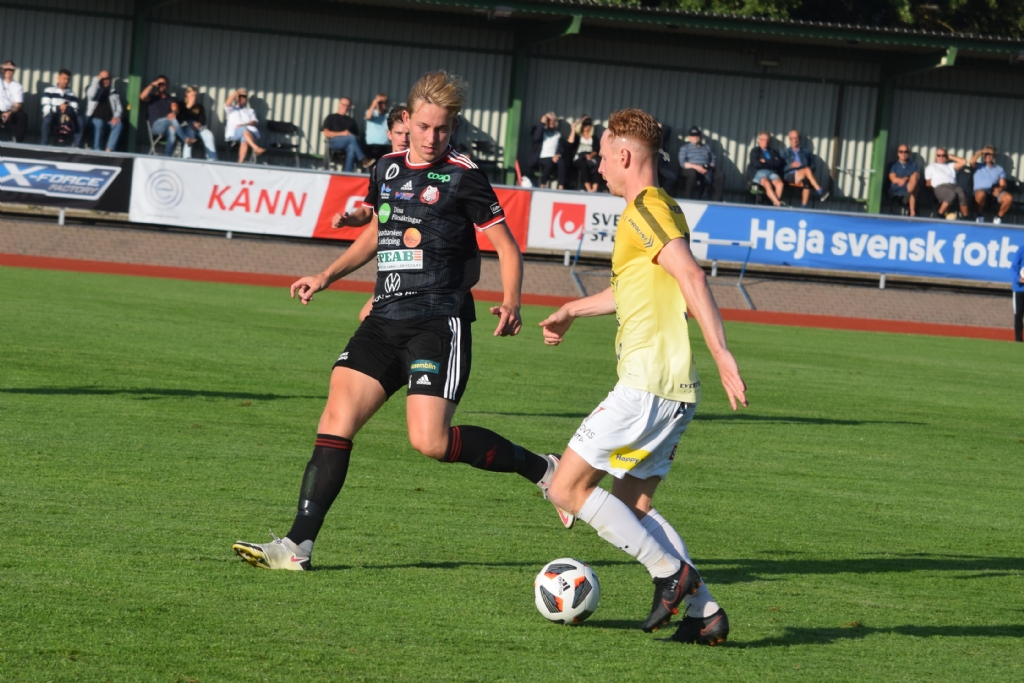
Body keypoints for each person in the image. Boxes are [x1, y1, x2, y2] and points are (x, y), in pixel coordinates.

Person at [232, 71, 572, 572]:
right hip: (384, 317)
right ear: (407, 120)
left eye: (443, 128)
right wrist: (326, 275)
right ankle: (298, 545)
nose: (433, 138)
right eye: (426, 127)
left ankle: (543, 469)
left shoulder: (464, 174)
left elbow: (506, 246)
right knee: (335, 419)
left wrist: (512, 301)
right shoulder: (386, 167)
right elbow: (378, 231)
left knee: (430, 441)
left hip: (438, 322)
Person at [538, 108, 746, 645]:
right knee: (633, 505)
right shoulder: (657, 208)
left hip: (646, 383)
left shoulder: (644, 209)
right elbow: (634, 289)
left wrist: (722, 352)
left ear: (625, 156)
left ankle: (669, 574)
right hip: (672, 388)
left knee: (566, 488)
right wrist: (572, 309)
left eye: (603, 156)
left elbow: (691, 275)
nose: (599, 166)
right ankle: (705, 613)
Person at [140, 75, 186, 157]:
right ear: (157, 84)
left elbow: (175, 109)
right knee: (172, 120)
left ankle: (167, 156)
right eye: (160, 83)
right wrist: (152, 84)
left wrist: (173, 113)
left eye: (164, 84)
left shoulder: (171, 99)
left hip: (168, 127)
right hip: (156, 127)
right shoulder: (152, 98)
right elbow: (142, 96)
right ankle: (185, 138)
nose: (162, 85)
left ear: (167, 85)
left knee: (172, 128)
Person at [782, 129, 828, 206]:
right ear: (789, 139)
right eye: (792, 138)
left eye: (796, 138)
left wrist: (805, 171)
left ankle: (803, 207)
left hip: (804, 175)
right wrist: (791, 165)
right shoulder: (784, 152)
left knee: (807, 182)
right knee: (807, 170)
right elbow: (780, 168)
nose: (795, 140)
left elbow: (813, 166)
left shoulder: (806, 152)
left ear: (799, 139)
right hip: (790, 175)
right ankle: (820, 191)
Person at [677, 126, 724, 202]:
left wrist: (710, 166)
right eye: (693, 136)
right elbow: (682, 163)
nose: (695, 137)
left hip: (706, 169)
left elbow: (713, 159)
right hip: (691, 169)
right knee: (692, 174)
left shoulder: (706, 147)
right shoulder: (685, 148)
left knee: (720, 175)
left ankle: (717, 200)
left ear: (700, 136)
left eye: (697, 135)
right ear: (689, 137)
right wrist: (698, 168)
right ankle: (689, 199)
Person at [41, 69, 84, 147]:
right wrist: (58, 108)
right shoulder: (49, 91)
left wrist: (66, 109)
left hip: (68, 117)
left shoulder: (72, 94)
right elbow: (45, 109)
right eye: (64, 79)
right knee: (47, 119)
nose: (66, 81)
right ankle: (44, 144)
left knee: (80, 120)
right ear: (58, 78)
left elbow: (76, 110)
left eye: (68, 79)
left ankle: (76, 145)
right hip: (54, 116)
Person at [970, 145, 1012, 224]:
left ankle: (998, 218)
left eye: (990, 154)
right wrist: (982, 151)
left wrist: (1000, 188)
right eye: (986, 154)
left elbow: (1003, 183)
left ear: (994, 156)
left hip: (994, 191)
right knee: (980, 194)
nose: (987, 156)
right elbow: (971, 161)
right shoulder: (978, 166)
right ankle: (980, 216)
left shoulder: (999, 169)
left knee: (1008, 198)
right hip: (980, 191)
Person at [323, 97, 366, 172]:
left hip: (348, 143)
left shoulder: (351, 121)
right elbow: (326, 133)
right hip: (333, 142)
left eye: (347, 106)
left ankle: (347, 173)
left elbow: (357, 137)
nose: (345, 107)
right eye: (344, 105)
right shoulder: (331, 117)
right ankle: (363, 159)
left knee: (352, 147)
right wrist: (343, 133)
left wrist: (353, 137)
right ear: (339, 104)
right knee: (351, 137)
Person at [924, 148, 969, 219]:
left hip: (953, 185)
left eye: (943, 155)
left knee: (962, 193)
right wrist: (932, 193)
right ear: (935, 156)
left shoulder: (950, 166)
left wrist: (951, 157)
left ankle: (966, 218)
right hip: (939, 187)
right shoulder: (930, 167)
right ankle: (939, 216)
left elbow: (963, 162)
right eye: (939, 155)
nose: (941, 157)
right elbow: (928, 183)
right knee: (951, 194)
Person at [85, 70, 123, 152]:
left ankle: (109, 149)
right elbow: (90, 95)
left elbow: (119, 108)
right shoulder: (94, 89)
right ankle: (97, 150)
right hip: (94, 119)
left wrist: (116, 117)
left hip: (109, 120)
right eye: (103, 79)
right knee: (99, 123)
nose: (105, 81)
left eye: (107, 79)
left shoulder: (113, 92)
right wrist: (96, 80)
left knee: (118, 125)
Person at [224, 88, 265, 162]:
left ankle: (240, 163)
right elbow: (227, 103)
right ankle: (256, 148)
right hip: (233, 133)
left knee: (244, 136)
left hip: (249, 133)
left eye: (244, 96)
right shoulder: (231, 109)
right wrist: (237, 92)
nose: (242, 98)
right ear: (236, 97)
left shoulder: (250, 111)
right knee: (243, 129)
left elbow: (254, 122)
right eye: (240, 96)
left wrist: (244, 124)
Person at [177, 86, 218, 161]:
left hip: (197, 127)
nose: (194, 97)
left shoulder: (199, 106)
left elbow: (203, 120)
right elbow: (180, 118)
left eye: (196, 95)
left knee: (209, 134)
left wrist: (199, 124)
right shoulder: (181, 105)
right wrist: (189, 106)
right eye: (192, 95)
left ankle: (212, 159)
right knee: (190, 132)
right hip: (185, 127)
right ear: (186, 94)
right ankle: (187, 157)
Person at [748, 131, 786, 206]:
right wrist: (772, 162)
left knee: (780, 184)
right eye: (763, 140)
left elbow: (779, 163)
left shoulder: (773, 151)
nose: (766, 142)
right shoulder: (755, 151)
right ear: (759, 140)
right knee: (767, 183)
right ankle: (777, 203)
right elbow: (756, 164)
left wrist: (765, 161)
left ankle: (775, 204)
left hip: (772, 172)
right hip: (759, 172)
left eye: (767, 140)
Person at [564, 117, 601, 192]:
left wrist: (590, 155)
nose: (586, 126)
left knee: (599, 165)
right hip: (579, 158)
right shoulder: (578, 137)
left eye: (588, 124)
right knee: (583, 165)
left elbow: (596, 150)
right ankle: (589, 189)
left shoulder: (593, 138)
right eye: (584, 124)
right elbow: (570, 143)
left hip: (590, 158)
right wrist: (573, 129)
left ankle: (594, 188)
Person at [528, 112, 563, 187]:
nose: (552, 122)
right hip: (542, 157)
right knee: (550, 162)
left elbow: (561, 148)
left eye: (553, 120)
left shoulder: (557, 134)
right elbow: (536, 138)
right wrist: (542, 123)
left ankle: (561, 187)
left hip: (554, 157)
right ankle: (542, 185)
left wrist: (558, 154)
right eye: (549, 120)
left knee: (562, 162)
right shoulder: (540, 130)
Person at [888, 145, 920, 217]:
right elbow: (892, 178)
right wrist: (902, 180)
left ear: (909, 153)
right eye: (901, 152)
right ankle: (912, 213)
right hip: (897, 190)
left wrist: (906, 178)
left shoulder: (913, 165)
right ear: (897, 153)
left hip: (909, 187)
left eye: (906, 152)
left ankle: (908, 194)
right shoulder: (894, 165)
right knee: (915, 188)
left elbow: (916, 176)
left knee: (915, 181)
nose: (903, 153)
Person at [0, 60, 27, 142]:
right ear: (3, 70)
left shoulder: (17, 86)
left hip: (11, 112)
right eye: (7, 69)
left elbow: (18, 105)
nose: (9, 71)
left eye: (11, 69)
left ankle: (18, 141)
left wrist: (9, 113)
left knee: (22, 116)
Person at [363, 93, 391, 162]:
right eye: (380, 102)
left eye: (384, 102)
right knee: (373, 164)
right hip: (373, 145)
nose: (382, 104)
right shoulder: (371, 113)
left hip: (386, 145)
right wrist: (374, 103)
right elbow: (368, 117)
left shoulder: (389, 115)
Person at [1013, 244, 1024, 342]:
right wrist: (1018, 279)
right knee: (1018, 314)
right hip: (1020, 289)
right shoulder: (1021, 250)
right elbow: (1013, 267)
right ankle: (1018, 339)